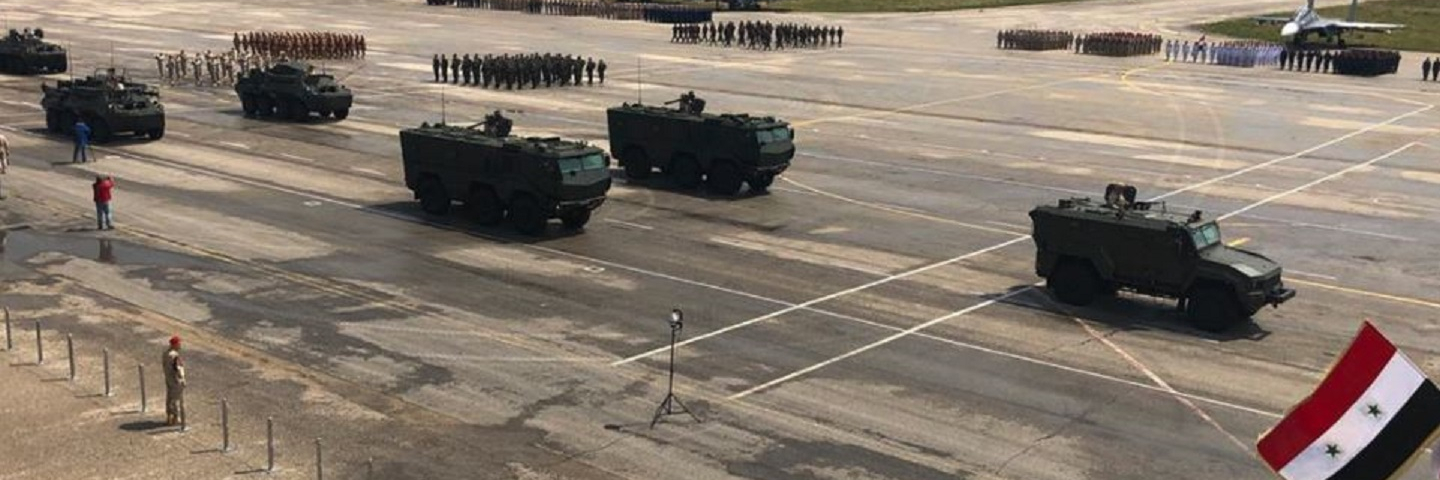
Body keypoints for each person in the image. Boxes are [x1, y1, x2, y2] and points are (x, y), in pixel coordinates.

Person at [162, 335, 186, 427]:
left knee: (169, 399)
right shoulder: (174, 355)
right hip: (175, 381)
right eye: (179, 343)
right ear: (175, 344)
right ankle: (175, 418)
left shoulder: (165, 354)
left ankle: (169, 417)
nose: (180, 345)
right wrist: (182, 379)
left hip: (168, 379)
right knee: (175, 400)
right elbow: (177, 368)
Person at [0, 132, 8, 200]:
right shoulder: (2, 137)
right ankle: (3, 169)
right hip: (1, 151)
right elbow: (6, 145)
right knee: (2, 160)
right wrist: (7, 152)